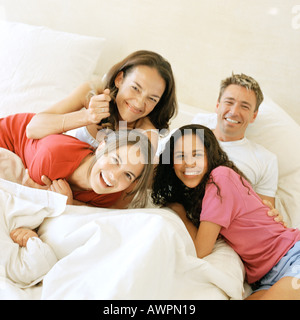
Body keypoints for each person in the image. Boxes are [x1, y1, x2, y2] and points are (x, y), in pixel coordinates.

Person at [152, 124, 300, 300]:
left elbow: (200, 250)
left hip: (292, 256)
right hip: (264, 278)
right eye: (180, 155)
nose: (189, 162)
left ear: (210, 155)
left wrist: (179, 211)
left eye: (197, 154)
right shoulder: (197, 194)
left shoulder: (220, 178)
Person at [26, 50, 178, 152]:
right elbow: (32, 129)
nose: (138, 103)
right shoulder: (91, 92)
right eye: (135, 88)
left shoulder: (146, 136)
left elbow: (121, 198)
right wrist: (87, 117)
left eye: (152, 98)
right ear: (120, 79)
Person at [0, 113, 154, 209]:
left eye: (128, 175)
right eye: (115, 160)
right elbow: (27, 193)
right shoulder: (52, 158)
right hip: (8, 137)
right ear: (101, 147)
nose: (114, 176)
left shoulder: (109, 193)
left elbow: (95, 212)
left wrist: (70, 203)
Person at [192, 73, 278, 207]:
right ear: (217, 105)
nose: (234, 111)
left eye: (244, 106)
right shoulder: (187, 138)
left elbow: (265, 214)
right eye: (229, 102)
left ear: (253, 116)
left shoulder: (266, 160)